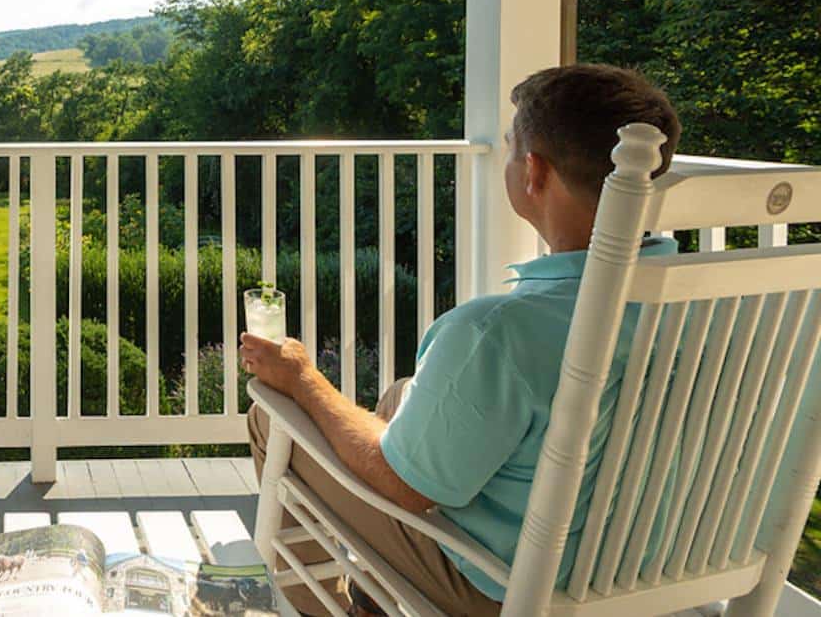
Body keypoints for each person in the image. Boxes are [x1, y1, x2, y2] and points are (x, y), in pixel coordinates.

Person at [241, 64, 682, 617]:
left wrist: (303, 380)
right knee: (404, 395)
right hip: (640, 568)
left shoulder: (496, 332)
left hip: (503, 587)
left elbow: (403, 490)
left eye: (508, 148)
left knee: (272, 413)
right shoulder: (709, 304)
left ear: (533, 173)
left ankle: (322, 608)